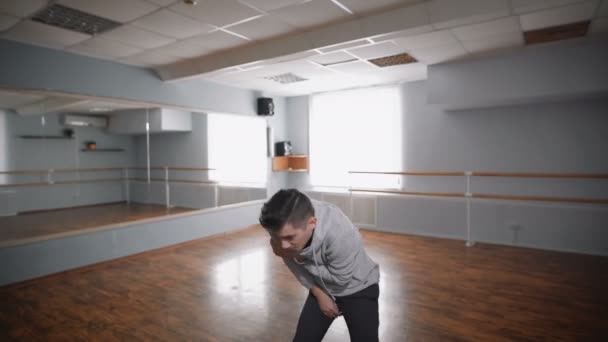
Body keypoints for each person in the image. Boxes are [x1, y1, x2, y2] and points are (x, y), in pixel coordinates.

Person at [259, 189, 380, 342]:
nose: (283, 245)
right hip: (321, 287)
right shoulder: (285, 226)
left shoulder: (339, 232)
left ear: (312, 223)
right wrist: (319, 294)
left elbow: (341, 279)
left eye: (290, 237)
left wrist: (297, 257)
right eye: (276, 238)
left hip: (359, 287)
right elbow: (291, 259)